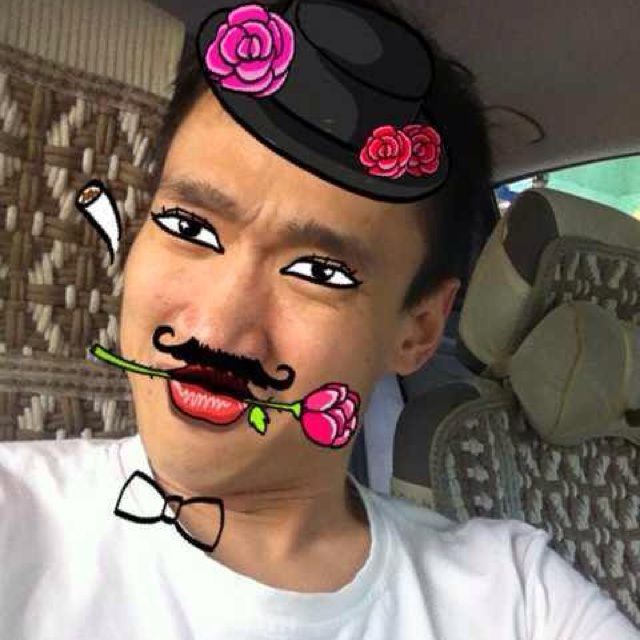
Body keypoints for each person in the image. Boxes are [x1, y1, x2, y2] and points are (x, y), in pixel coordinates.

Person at [1, 1, 638, 638]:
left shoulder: (517, 599)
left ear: (417, 330)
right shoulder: (21, 520)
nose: (217, 330)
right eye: (189, 227)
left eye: (319, 272)